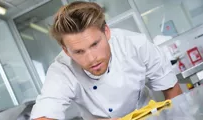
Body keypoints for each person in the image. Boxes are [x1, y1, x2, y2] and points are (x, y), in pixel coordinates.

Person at [31, 1, 183, 120]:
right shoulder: (61, 70)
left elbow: (172, 90)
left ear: (107, 32)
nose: (91, 59)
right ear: (66, 51)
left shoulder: (135, 45)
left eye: (95, 44)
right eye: (79, 52)